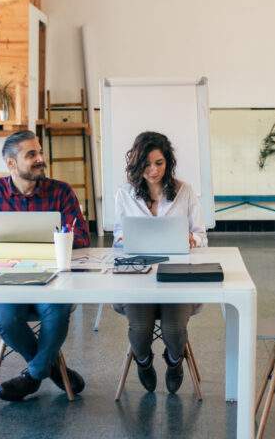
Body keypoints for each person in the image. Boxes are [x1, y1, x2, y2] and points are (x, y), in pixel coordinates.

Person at [0, 130, 89, 401]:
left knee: (57, 312)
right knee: (6, 317)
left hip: (52, 276)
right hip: (5, 277)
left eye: (40, 152)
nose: (40, 158)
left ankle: (32, 376)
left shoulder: (61, 191)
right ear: (11, 163)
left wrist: (59, 238)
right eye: (31, 154)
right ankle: (53, 369)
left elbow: (81, 236)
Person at [113, 131, 207, 394]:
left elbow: (201, 235)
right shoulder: (125, 193)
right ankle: (143, 362)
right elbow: (117, 236)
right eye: (146, 164)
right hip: (137, 278)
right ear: (136, 163)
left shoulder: (184, 191)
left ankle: (174, 362)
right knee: (140, 330)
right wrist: (125, 238)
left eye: (159, 163)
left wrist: (191, 239)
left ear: (168, 162)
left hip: (177, 276)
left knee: (174, 330)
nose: (153, 170)